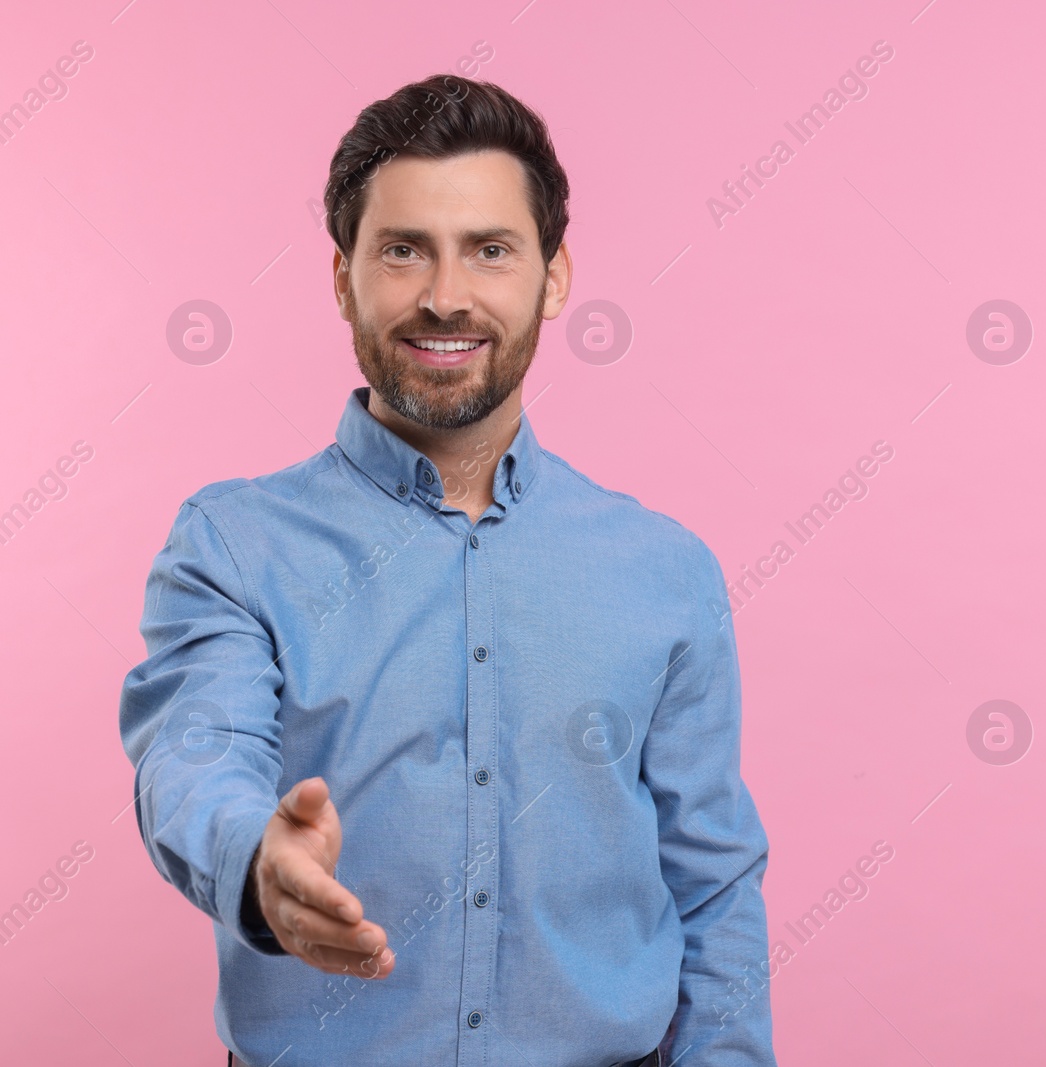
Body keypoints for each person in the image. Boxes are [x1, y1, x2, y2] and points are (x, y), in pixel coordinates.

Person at [117, 73, 777, 1067]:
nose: (444, 295)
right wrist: (258, 860)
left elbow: (712, 877)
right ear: (342, 276)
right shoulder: (232, 543)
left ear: (553, 277)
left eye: (490, 250)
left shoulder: (665, 569)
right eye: (402, 250)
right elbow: (193, 755)